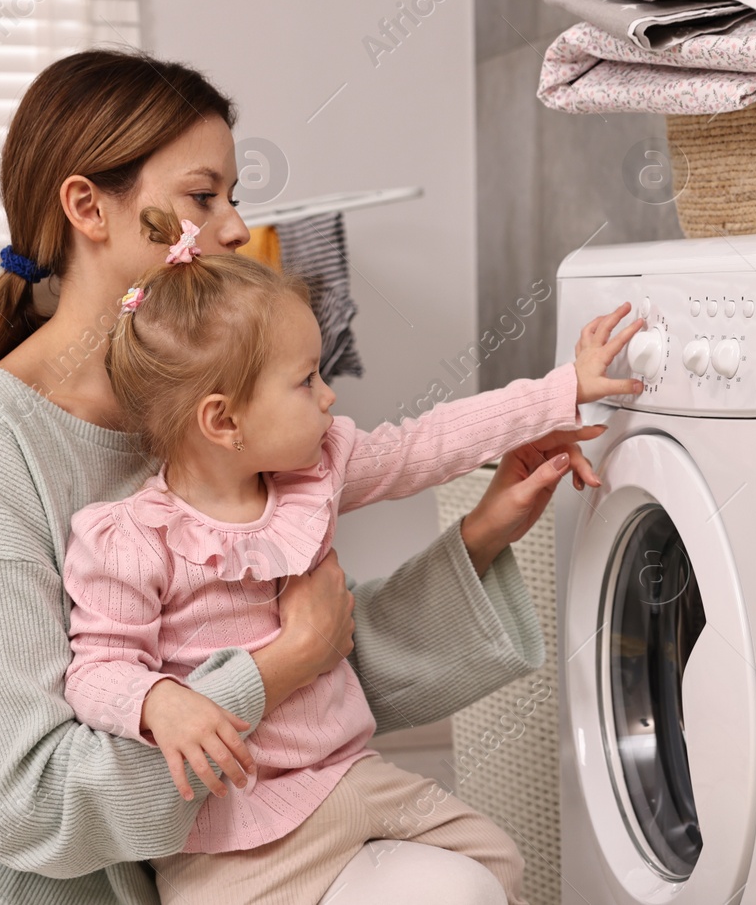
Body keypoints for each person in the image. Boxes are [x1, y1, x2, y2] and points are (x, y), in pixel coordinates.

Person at [0, 49, 618, 905]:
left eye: (234, 197)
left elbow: (300, 663)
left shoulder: (196, 410)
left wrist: (485, 529)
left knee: (466, 886)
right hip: (18, 884)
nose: (233, 227)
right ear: (88, 207)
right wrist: (274, 668)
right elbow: (25, 798)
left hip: (208, 849)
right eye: (201, 197)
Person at [59, 208, 643, 905]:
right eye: (306, 381)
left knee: (499, 865)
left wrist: (559, 391)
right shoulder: (128, 537)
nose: (329, 395)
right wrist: (160, 701)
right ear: (223, 420)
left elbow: (425, 443)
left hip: (351, 778)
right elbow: (96, 668)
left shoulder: (316, 473)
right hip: (234, 838)